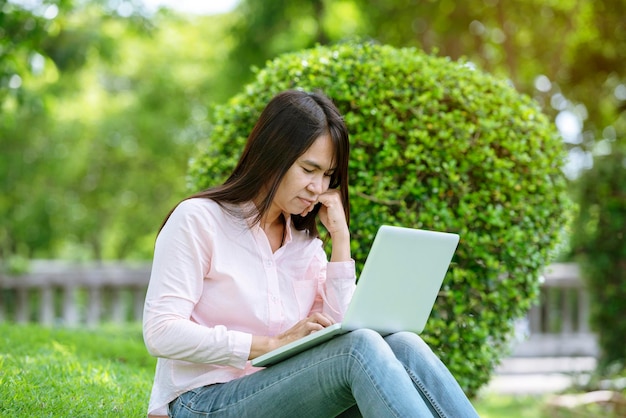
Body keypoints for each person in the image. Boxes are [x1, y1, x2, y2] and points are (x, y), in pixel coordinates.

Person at [142, 89, 479, 418]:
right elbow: (161, 332)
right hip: (202, 402)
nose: (318, 188)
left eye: (328, 176)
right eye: (309, 170)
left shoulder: (305, 245)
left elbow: (346, 330)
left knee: (402, 344)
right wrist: (269, 344)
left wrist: (340, 241)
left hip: (281, 393)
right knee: (358, 350)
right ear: (272, 155)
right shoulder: (199, 219)